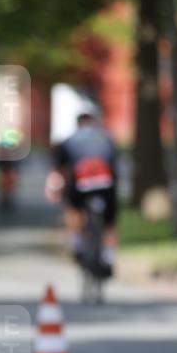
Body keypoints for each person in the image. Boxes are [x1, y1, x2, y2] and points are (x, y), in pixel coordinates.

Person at [45, 111, 119, 276]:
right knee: (109, 222)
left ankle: (77, 245)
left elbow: (59, 169)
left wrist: (57, 189)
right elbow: (114, 166)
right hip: (106, 184)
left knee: (72, 209)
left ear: (78, 124)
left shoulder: (70, 140)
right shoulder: (107, 138)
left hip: (81, 183)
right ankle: (109, 257)